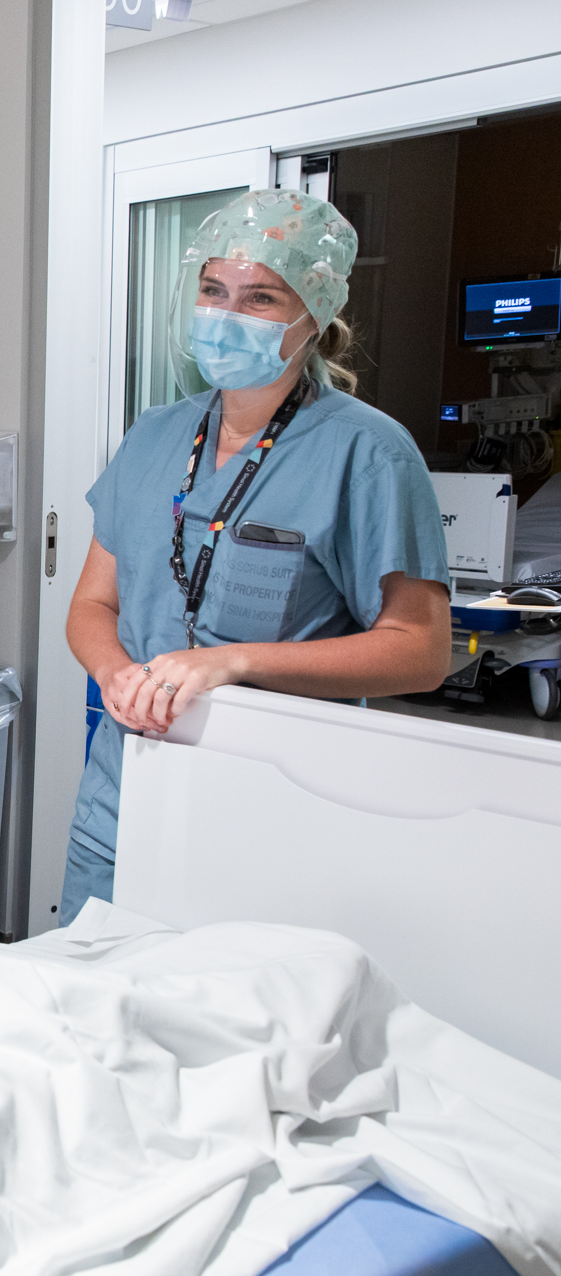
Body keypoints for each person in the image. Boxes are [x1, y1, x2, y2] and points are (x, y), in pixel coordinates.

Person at [60, 190, 450, 921]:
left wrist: (235, 661)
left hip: (271, 822)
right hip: (123, 804)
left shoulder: (367, 453)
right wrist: (116, 674)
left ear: (315, 315)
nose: (226, 314)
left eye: (261, 296)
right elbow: (93, 604)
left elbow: (420, 650)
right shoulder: (154, 436)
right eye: (213, 290)